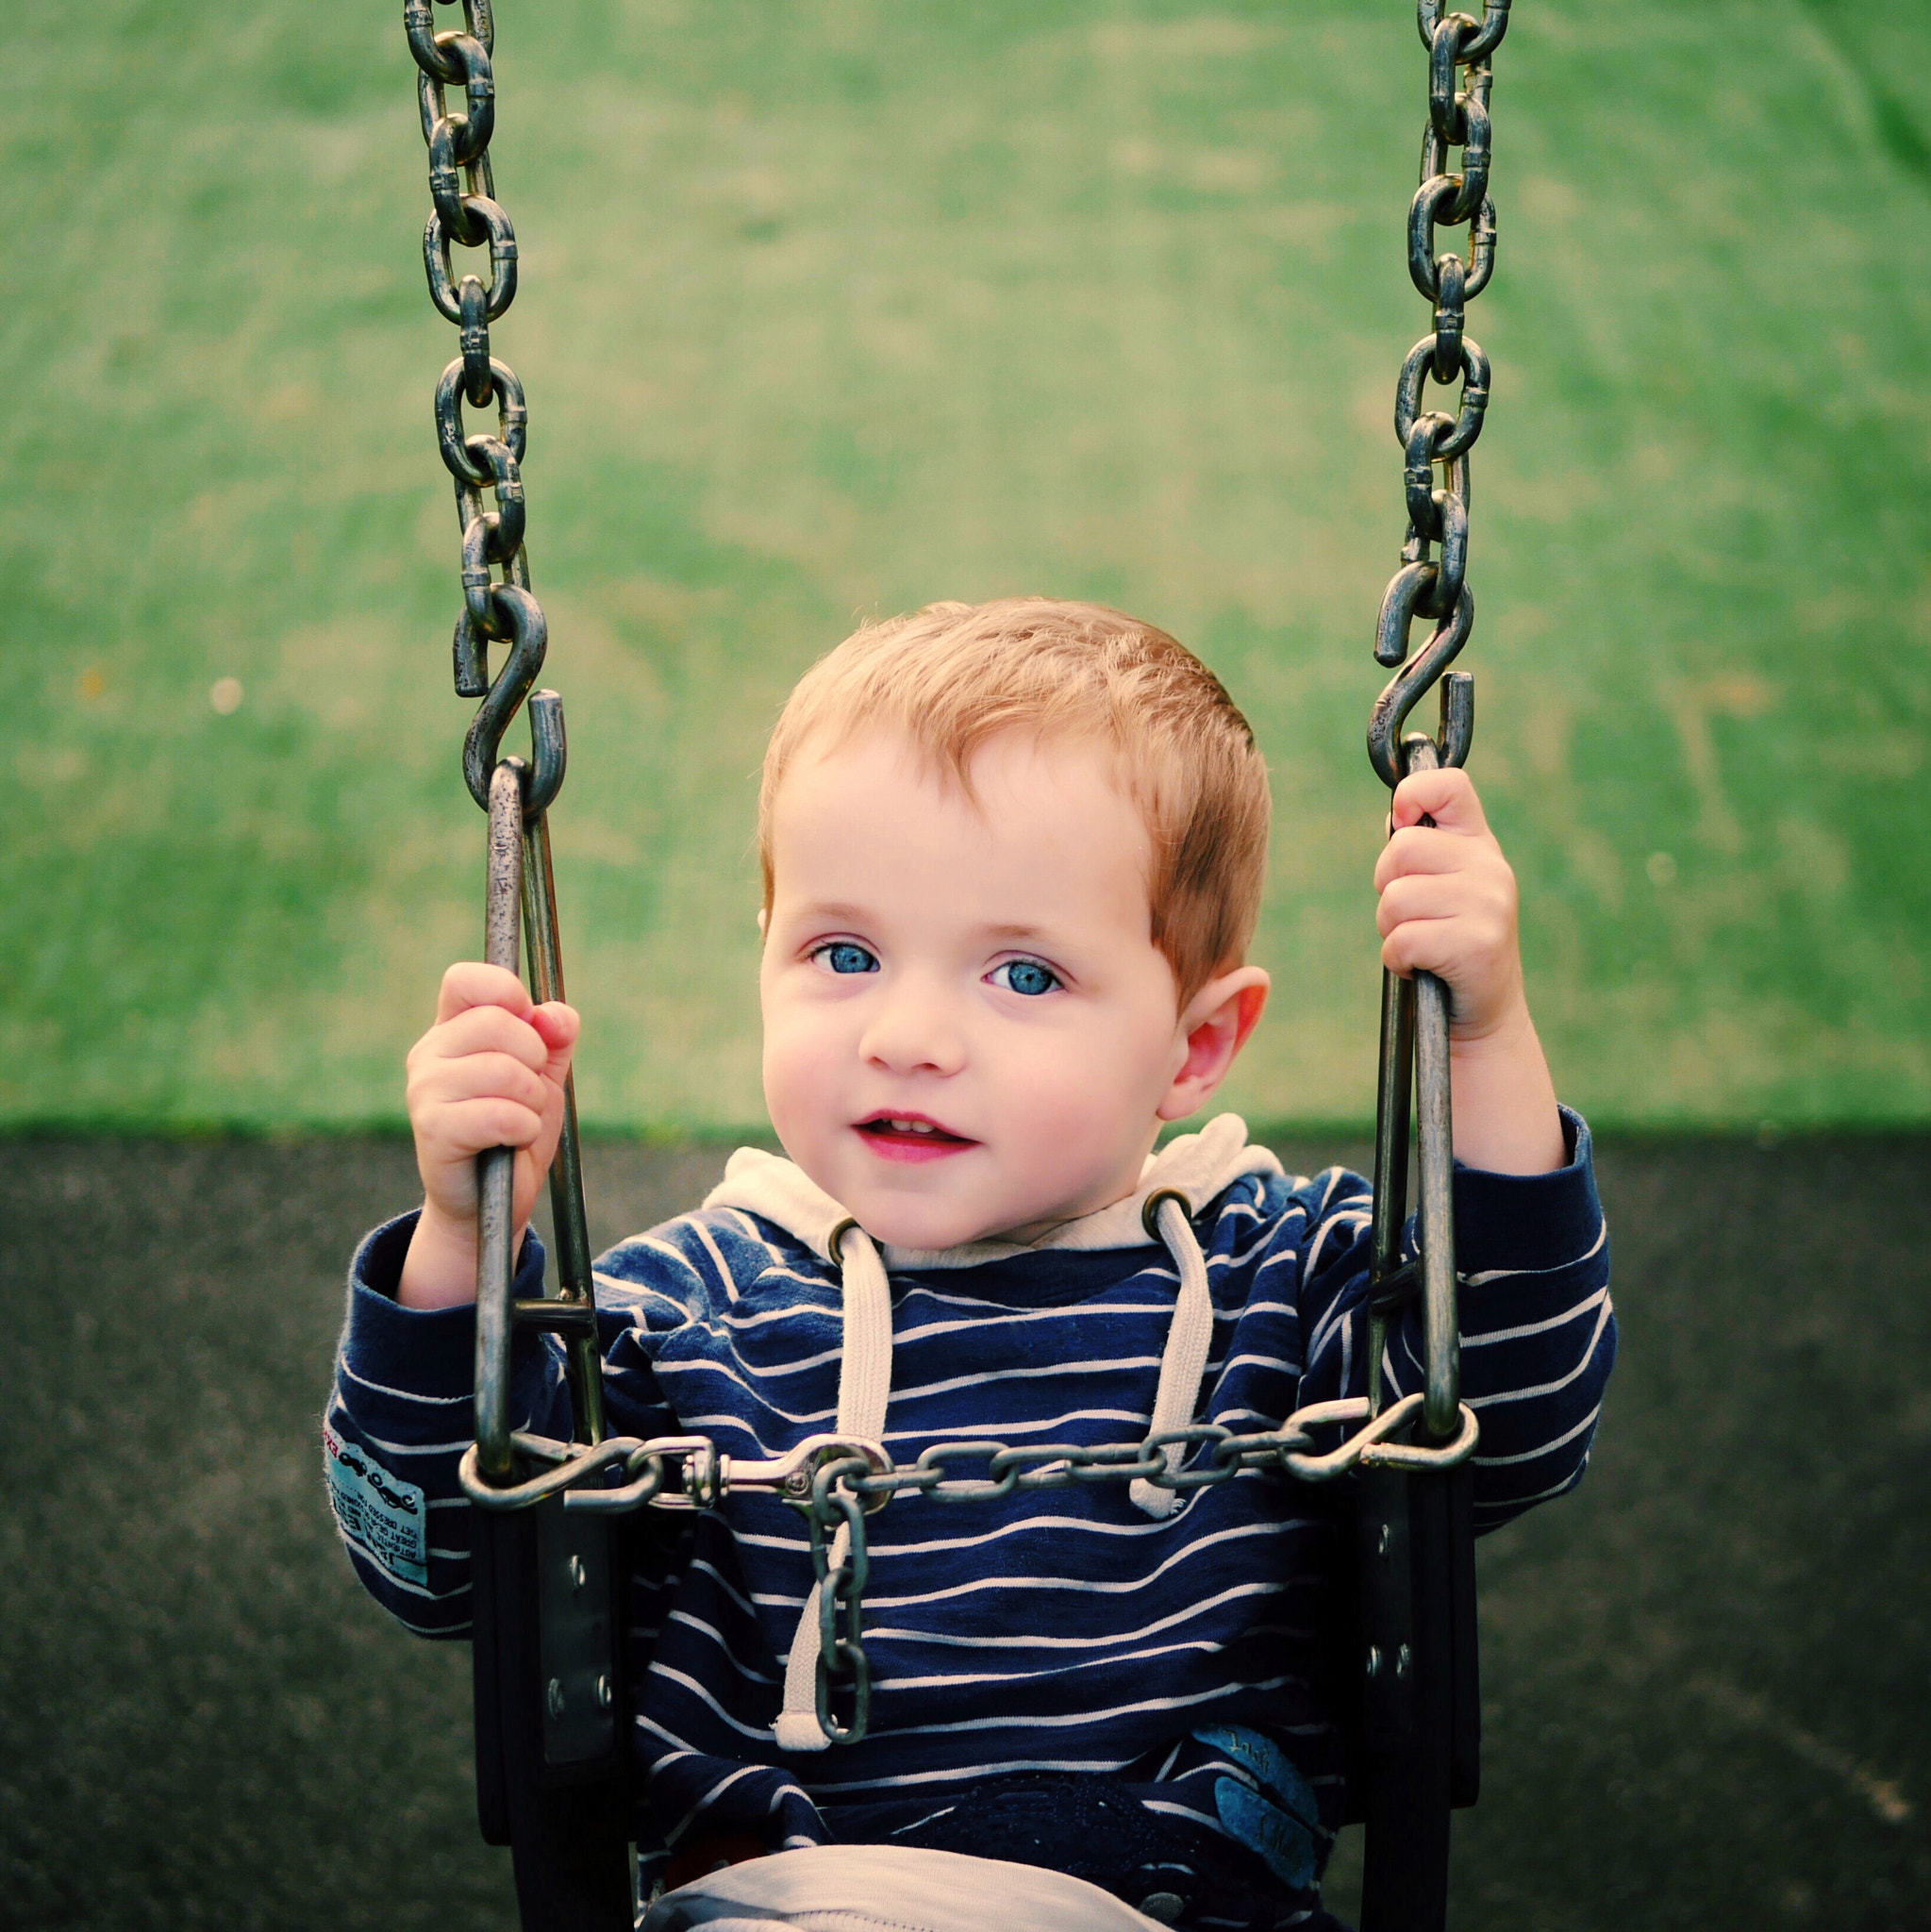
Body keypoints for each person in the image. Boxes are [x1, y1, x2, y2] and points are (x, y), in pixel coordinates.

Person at [325, 598, 1615, 1932]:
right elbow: (441, 1566)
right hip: (792, 1904)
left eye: (1023, 976)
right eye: (844, 953)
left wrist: (1482, 1042)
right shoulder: (685, 1313)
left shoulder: (1275, 1280)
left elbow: (1509, 1421)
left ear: (1195, 1046)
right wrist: (464, 1245)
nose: (912, 1033)